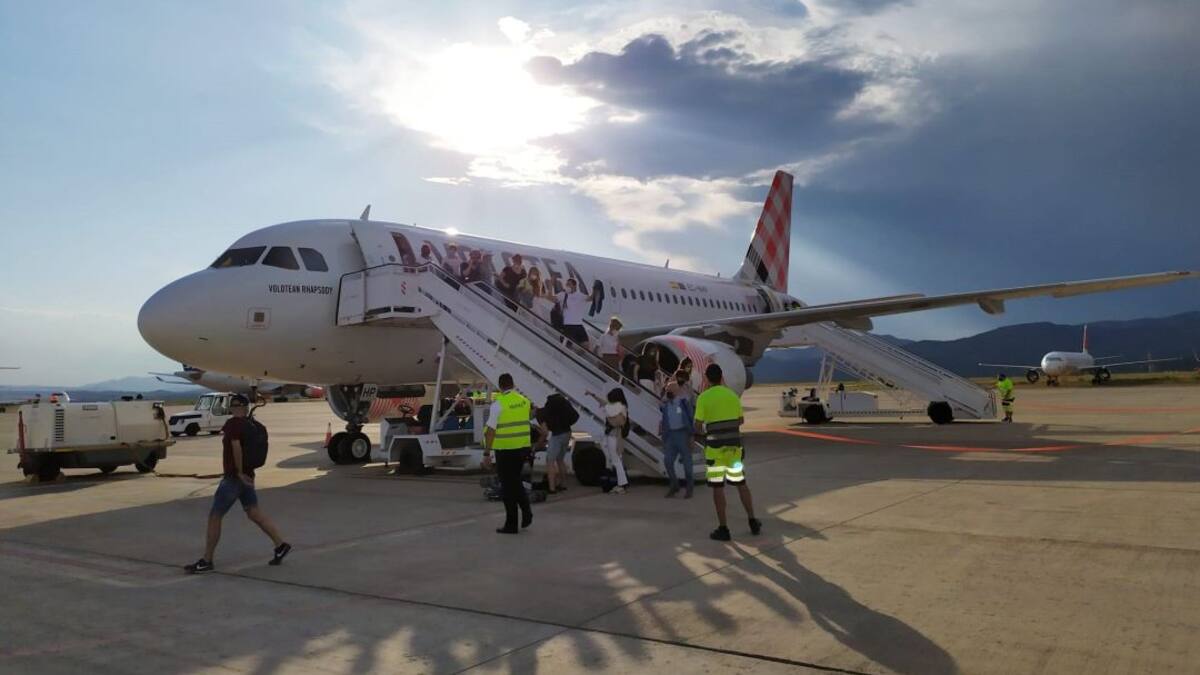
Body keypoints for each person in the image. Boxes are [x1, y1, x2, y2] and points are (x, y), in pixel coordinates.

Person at [185, 395, 291, 573]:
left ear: (242, 407)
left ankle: (207, 560)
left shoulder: (234, 424)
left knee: (215, 516)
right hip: (248, 477)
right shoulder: (253, 425)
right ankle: (280, 545)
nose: (232, 408)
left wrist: (239, 472)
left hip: (235, 478)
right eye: (231, 405)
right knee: (254, 513)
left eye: (235, 405)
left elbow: (236, 447)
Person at [694, 364, 761, 541]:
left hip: (715, 451)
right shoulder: (731, 395)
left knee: (718, 489)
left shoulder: (703, 398)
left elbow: (698, 425)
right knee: (741, 484)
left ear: (707, 379)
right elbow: (740, 419)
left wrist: (709, 429)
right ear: (721, 376)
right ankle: (753, 520)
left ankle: (723, 528)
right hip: (734, 449)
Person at [482, 373, 533, 534]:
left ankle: (511, 524)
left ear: (500, 386)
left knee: (507, 488)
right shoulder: (524, 401)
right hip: (523, 448)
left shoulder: (499, 404)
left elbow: (490, 431)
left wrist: (486, 453)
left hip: (506, 450)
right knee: (515, 482)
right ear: (512, 384)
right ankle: (526, 511)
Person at [536, 392, 578, 494]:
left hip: (557, 435)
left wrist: (538, 444)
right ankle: (563, 485)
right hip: (567, 432)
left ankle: (552, 488)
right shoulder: (552, 407)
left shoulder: (540, 414)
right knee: (560, 460)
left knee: (550, 461)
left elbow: (545, 433)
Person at [659, 381, 695, 498]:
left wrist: (691, 436)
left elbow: (690, 419)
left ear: (677, 391)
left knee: (687, 464)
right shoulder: (665, 405)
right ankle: (674, 484)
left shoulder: (684, 403)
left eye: (670, 390)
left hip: (683, 434)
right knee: (668, 461)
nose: (668, 393)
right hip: (670, 436)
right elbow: (664, 420)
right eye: (667, 390)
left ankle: (689, 487)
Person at [602, 388, 631, 494]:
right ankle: (621, 483)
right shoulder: (623, 407)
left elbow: (607, 408)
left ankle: (622, 484)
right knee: (618, 460)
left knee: (616, 461)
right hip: (618, 436)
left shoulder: (616, 408)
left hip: (613, 435)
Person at [557, 278, 592, 347]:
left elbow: (590, 298)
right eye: (566, 284)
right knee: (567, 344)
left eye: (569, 284)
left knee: (586, 344)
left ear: (574, 286)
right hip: (568, 324)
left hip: (578, 324)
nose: (567, 286)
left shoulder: (580, 295)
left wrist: (594, 290)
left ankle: (578, 356)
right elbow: (553, 298)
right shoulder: (563, 295)